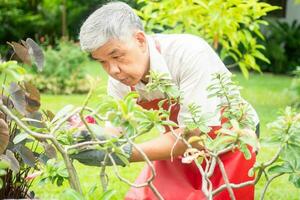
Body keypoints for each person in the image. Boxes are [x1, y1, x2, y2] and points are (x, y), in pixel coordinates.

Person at [78, 2, 259, 199]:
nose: (112, 70)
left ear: (139, 40)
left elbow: (194, 134)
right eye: (102, 61)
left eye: (117, 56)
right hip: (175, 145)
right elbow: (115, 131)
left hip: (230, 141)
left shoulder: (189, 54)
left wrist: (126, 154)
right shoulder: (120, 79)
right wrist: (89, 139)